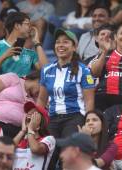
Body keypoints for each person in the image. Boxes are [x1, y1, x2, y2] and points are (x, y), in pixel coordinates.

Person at [37, 28, 95, 169]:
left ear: (74, 47)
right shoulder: (47, 70)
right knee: (47, 157)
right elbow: (41, 100)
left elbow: (89, 100)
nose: (60, 45)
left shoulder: (84, 70)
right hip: (53, 119)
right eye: (57, 42)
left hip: (74, 118)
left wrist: (88, 123)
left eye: (65, 42)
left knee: (67, 156)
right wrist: (37, 118)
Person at [0, 11, 48, 79]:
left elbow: (46, 72)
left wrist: (37, 42)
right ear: (17, 26)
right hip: (1, 88)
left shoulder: (30, 52)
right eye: (27, 24)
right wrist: (4, 56)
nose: (30, 28)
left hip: (21, 88)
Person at [0, 71, 40, 138]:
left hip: (17, 133)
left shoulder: (39, 100)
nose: (44, 90)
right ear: (37, 79)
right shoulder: (13, 78)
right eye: (44, 86)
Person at [13, 101, 55, 170]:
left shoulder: (49, 139)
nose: (28, 115)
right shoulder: (21, 140)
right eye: (28, 114)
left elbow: (35, 149)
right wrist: (23, 131)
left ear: (41, 121)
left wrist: (30, 129)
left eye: (33, 114)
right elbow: (8, 148)